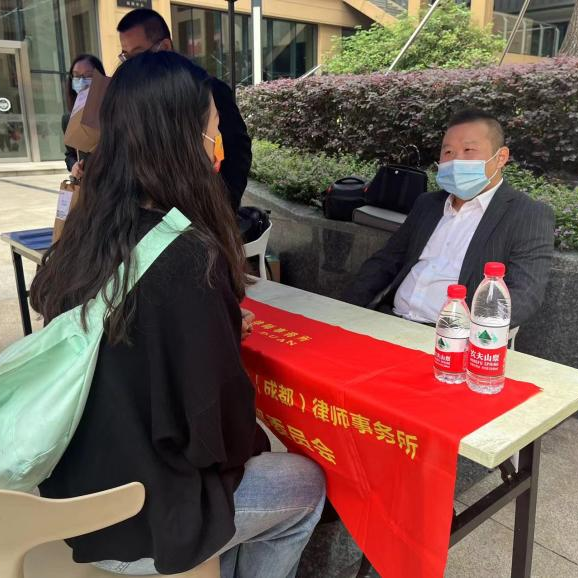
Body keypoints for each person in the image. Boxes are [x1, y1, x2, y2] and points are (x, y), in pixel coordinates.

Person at [31, 52, 325, 578]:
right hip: (136, 522)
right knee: (304, 484)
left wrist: (209, 325)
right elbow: (216, 435)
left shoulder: (85, 232)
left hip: (67, 493)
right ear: (182, 137)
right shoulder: (189, 254)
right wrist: (213, 334)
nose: (219, 144)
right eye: (213, 126)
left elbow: (129, 334)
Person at [342, 109, 555, 330]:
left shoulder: (527, 214)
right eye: (448, 151)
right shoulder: (427, 204)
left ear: (500, 157)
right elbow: (385, 262)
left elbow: (525, 293)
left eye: (468, 150)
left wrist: (465, 336)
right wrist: (345, 310)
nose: (456, 160)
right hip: (388, 319)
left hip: (453, 336)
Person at [117, 8, 252, 211]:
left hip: (202, 210)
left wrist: (222, 208)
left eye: (138, 55)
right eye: (126, 57)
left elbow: (237, 154)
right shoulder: (132, 99)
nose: (132, 66)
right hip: (153, 214)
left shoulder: (205, 89)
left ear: (165, 47)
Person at [62, 54, 105, 179]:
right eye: (76, 76)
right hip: (87, 183)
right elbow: (70, 155)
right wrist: (73, 166)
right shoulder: (68, 118)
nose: (82, 81)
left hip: (115, 183)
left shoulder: (113, 111)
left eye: (88, 75)